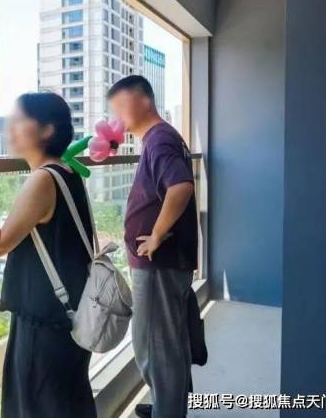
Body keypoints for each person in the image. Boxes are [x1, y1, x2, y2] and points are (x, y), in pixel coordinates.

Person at [0, 92, 97, 418]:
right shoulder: (68, 173)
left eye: (19, 120)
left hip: (44, 325)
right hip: (70, 315)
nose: (9, 128)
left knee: (38, 406)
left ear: (47, 130)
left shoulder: (42, 180)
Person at [107, 75, 198, 418]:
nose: (116, 115)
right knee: (166, 342)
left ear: (143, 100)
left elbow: (181, 187)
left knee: (155, 346)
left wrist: (157, 234)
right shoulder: (160, 138)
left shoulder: (159, 139)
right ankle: (166, 405)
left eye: (120, 105)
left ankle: (168, 410)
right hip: (165, 263)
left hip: (160, 263)